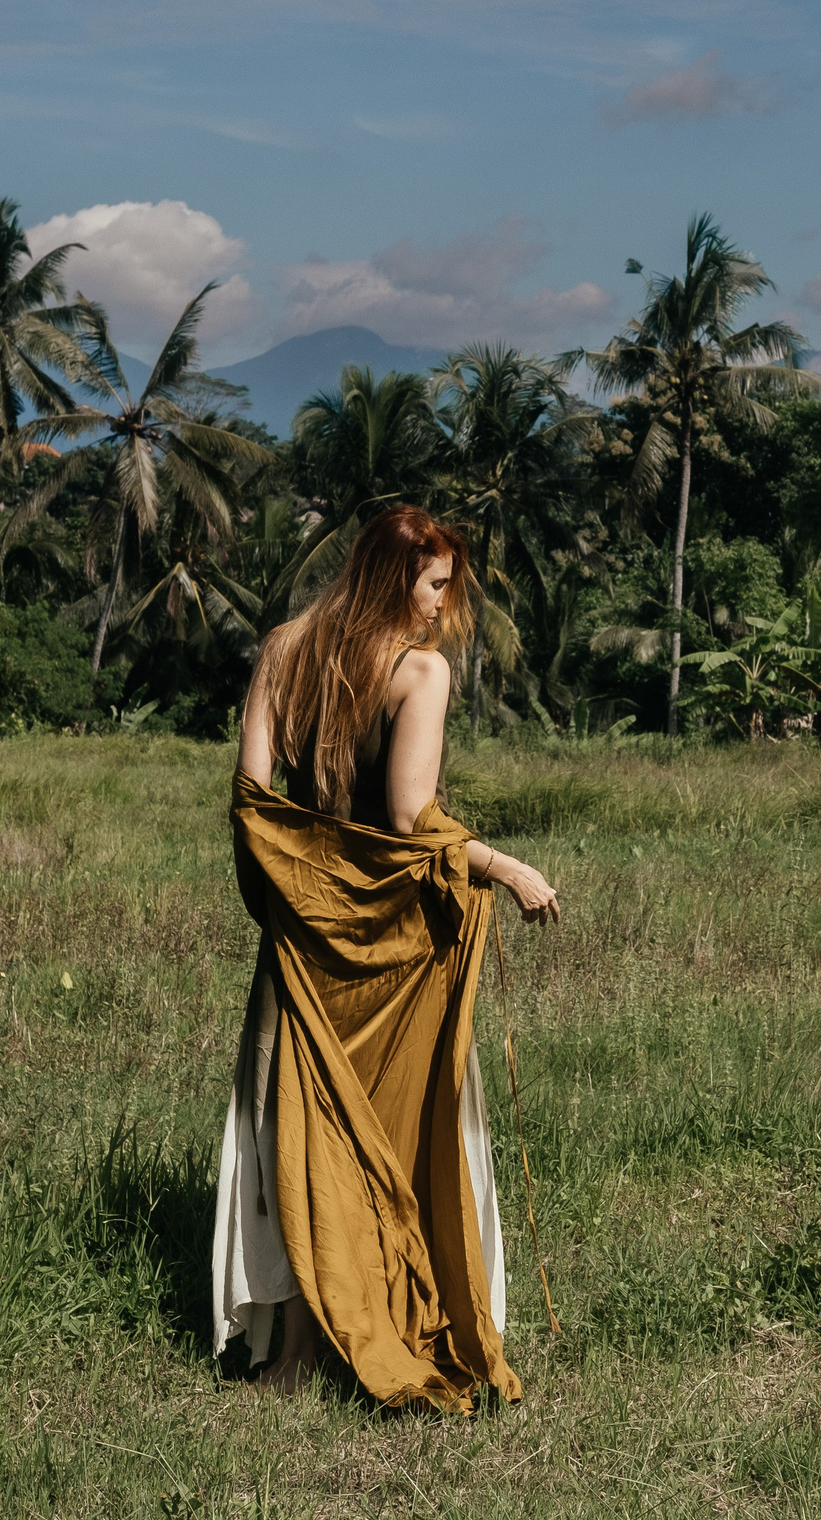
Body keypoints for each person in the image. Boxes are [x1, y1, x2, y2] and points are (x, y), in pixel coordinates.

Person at [209, 505, 561, 1411]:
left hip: (301, 935)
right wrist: (505, 865)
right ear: (393, 576)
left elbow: (252, 799)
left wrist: (297, 890)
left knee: (297, 1130)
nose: (445, 606)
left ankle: (292, 1353)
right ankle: (388, 1322)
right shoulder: (419, 672)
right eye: (436, 583)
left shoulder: (285, 646)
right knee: (397, 1131)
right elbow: (409, 817)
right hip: (392, 946)